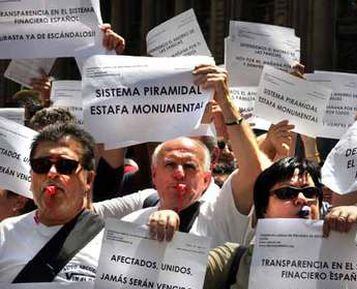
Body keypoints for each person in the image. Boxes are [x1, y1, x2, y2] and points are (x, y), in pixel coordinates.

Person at [95, 64, 271, 247]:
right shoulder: (129, 223)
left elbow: (253, 172)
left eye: (189, 166)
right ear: (154, 175)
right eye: (170, 165)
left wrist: (226, 102)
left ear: (206, 179)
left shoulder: (220, 215)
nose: (179, 173)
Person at [201, 156, 357, 289]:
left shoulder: (346, 260)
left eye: (310, 193)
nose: (302, 199)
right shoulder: (230, 261)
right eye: (287, 193)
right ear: (263, 209)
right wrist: (171, 227)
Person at [0, 123, 103, 283]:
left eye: (65, 166)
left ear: (88, 179)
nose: (52, 173)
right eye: (41, 165)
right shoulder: (4, 234)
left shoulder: (112, 243)